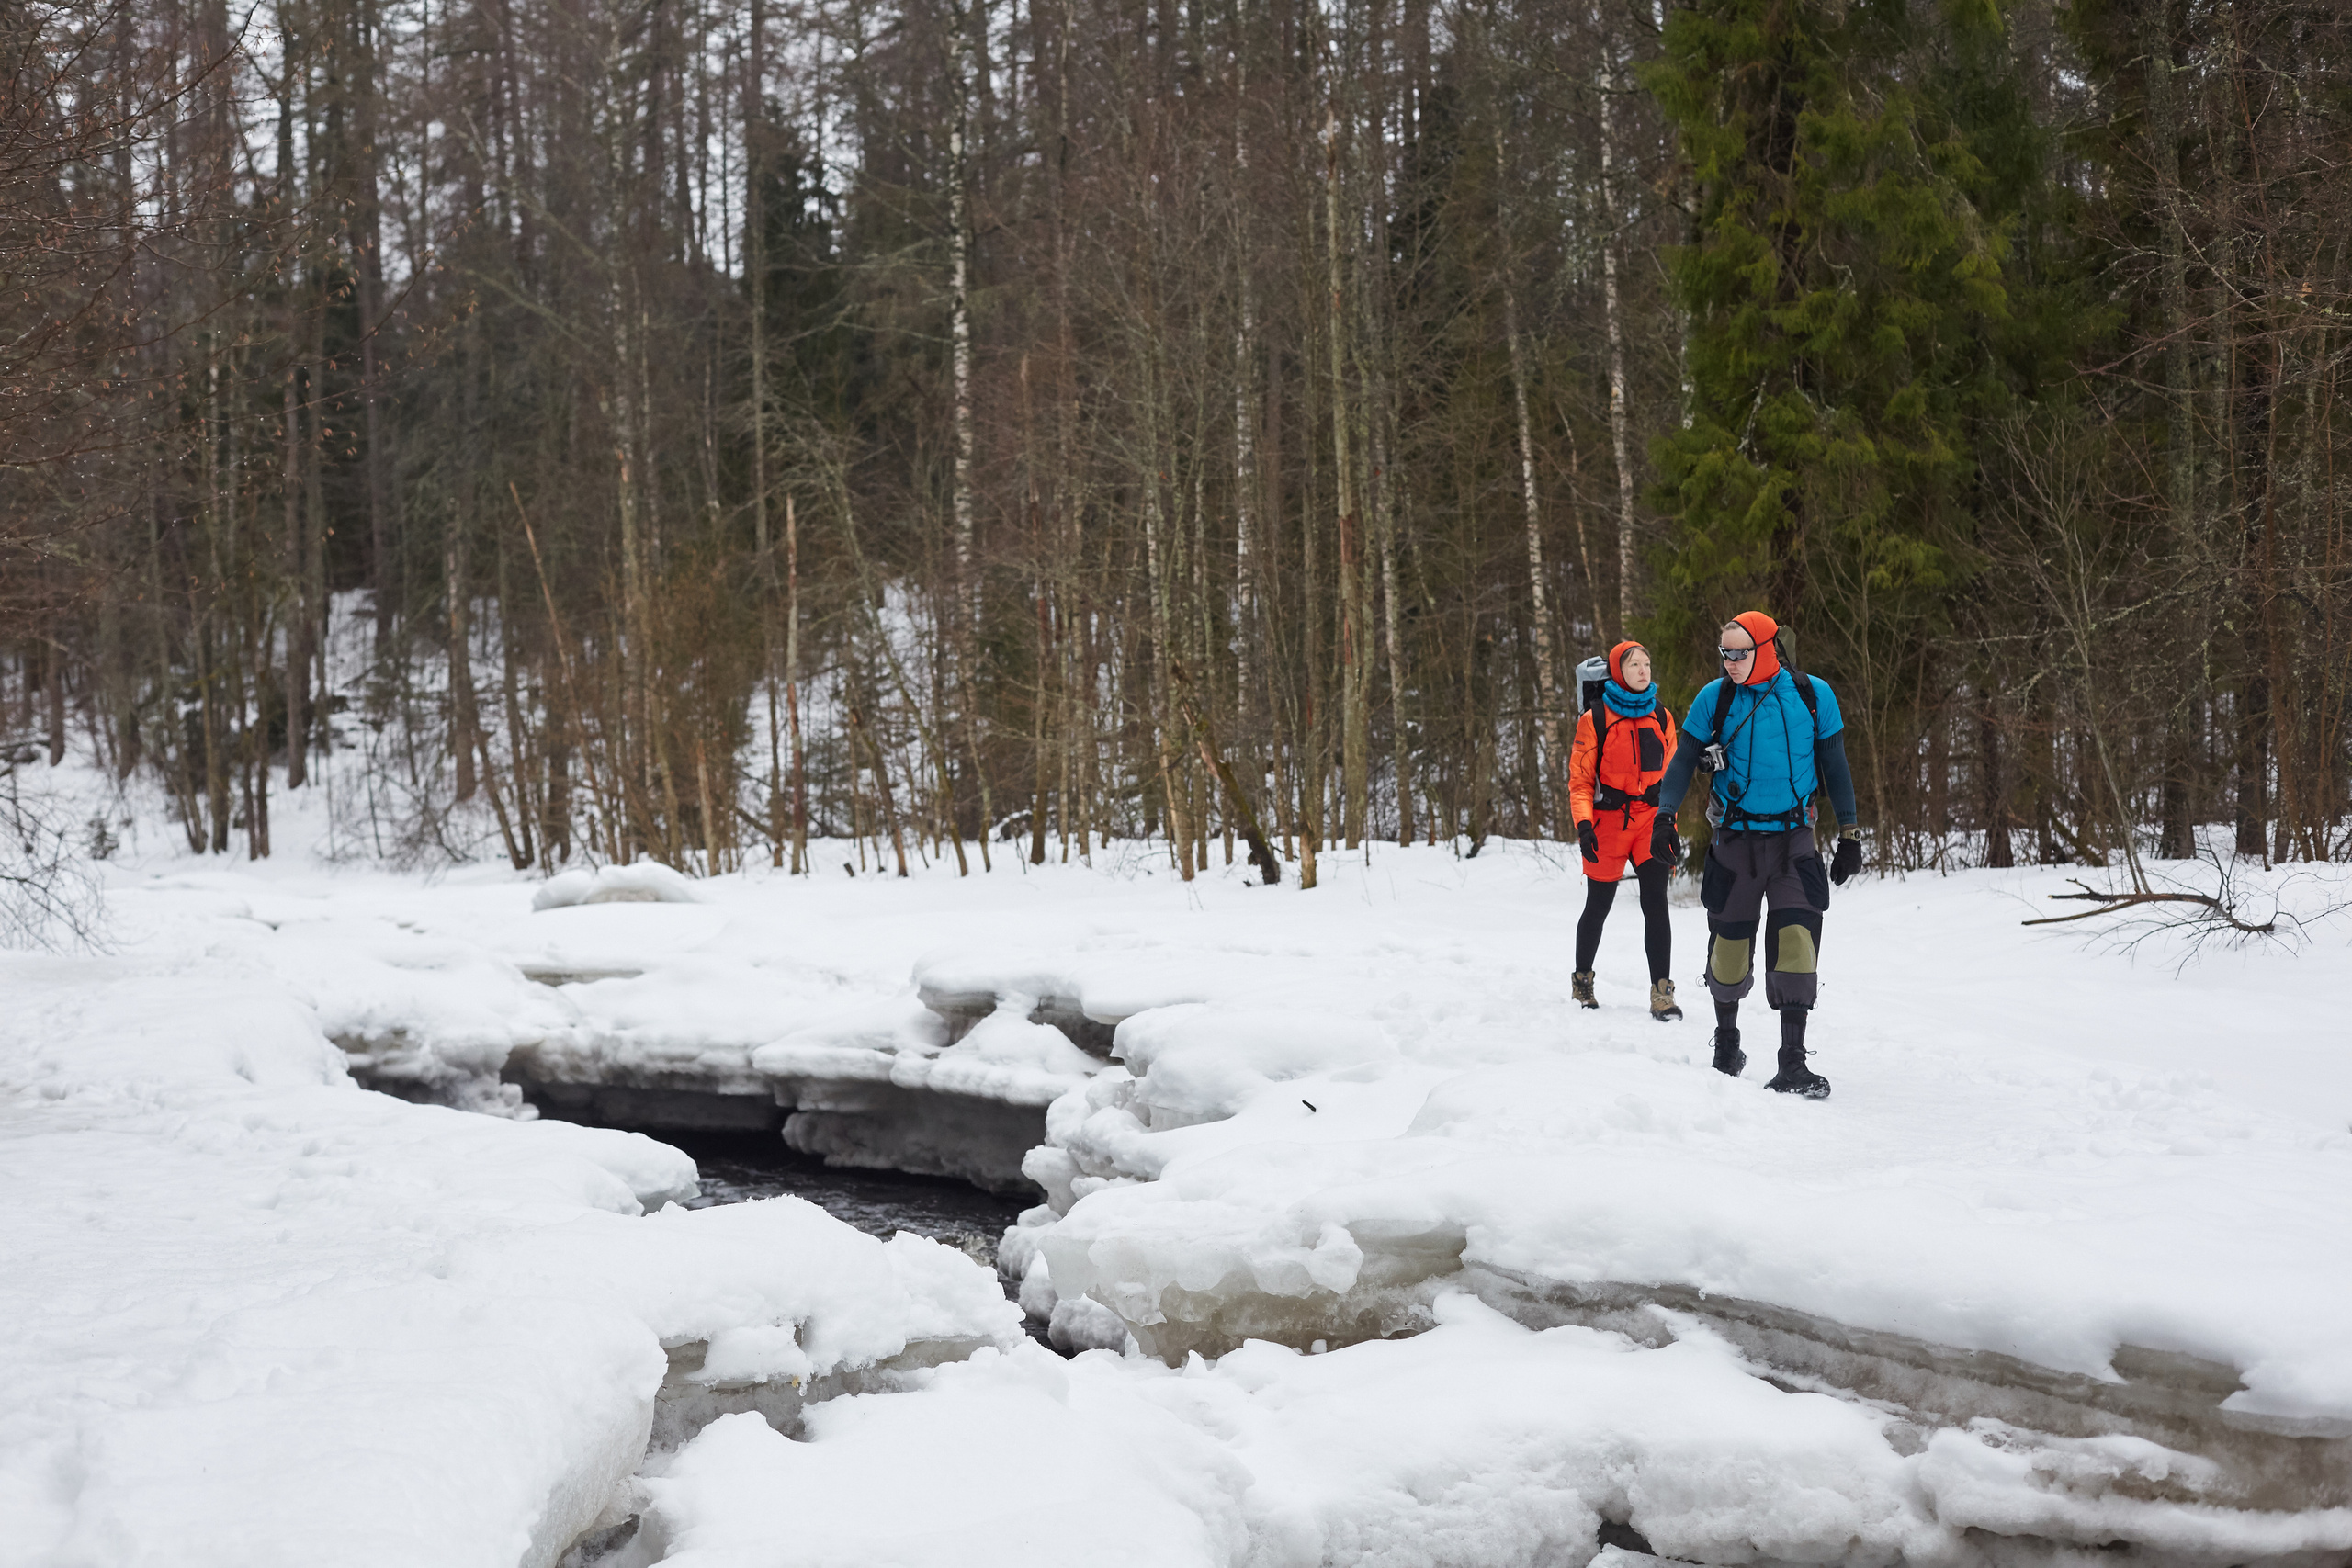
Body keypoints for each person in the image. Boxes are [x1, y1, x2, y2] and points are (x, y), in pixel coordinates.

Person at [1650, 612, 1862, 1098]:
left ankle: (1793, 1062)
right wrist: (1665, 815)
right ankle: (1727, 1044)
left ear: (1766, 648)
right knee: (1727, 958)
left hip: (1794, 843)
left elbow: (1836, 765)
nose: (1729, 663)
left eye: (1739, 654)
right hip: (1735, 845)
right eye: (1724, 654)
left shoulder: (1813, 696)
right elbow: (1683, 759)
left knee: (1797, 948)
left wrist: (1849, 834)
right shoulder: (1715, 698)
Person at [1567, 641, 1681, 1021]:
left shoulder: (1662, 717)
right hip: (1608, 824)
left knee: (1656, 904)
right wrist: (1584, 826)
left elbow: (1671, 781)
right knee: (1598, 906)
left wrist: (1670, 826)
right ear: (1618, 671)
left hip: (1650, 821)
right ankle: (1583, 981)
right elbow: (1580, 781)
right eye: (1635, 665)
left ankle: (1662, 993)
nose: (1643, 671)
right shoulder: (1595, 719)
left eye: (1647, 664)